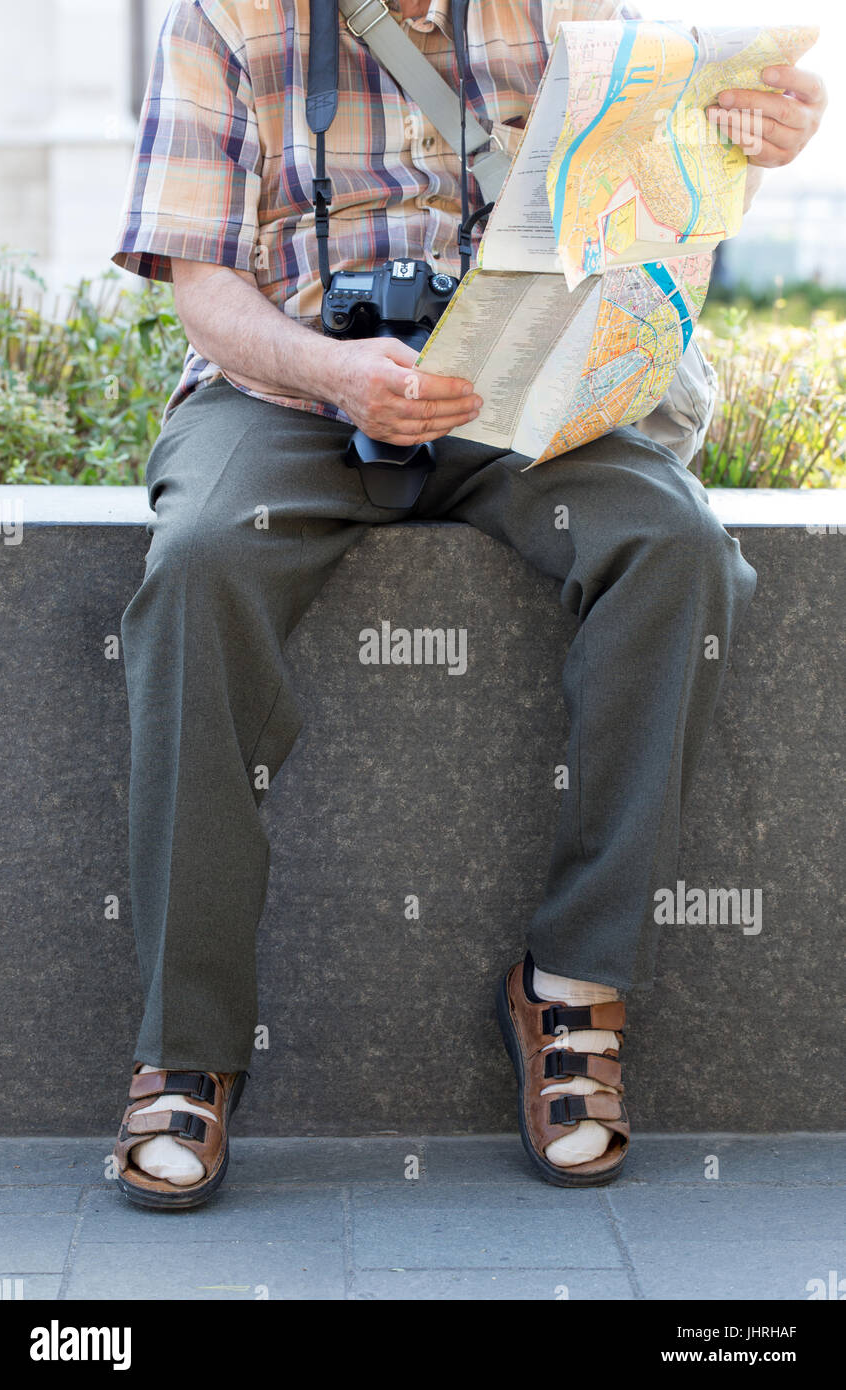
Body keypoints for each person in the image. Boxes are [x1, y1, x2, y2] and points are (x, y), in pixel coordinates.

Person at [109, 0, 827, 1207]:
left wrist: (756, 130)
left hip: (525, 386)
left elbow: (672, 178)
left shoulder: (583, 12)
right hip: (288, 385)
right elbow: (203, 289)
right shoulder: (224, 17)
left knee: (678, 550)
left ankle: (570, 986)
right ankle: (184, 1043)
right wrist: (332, 370)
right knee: (196, 565)